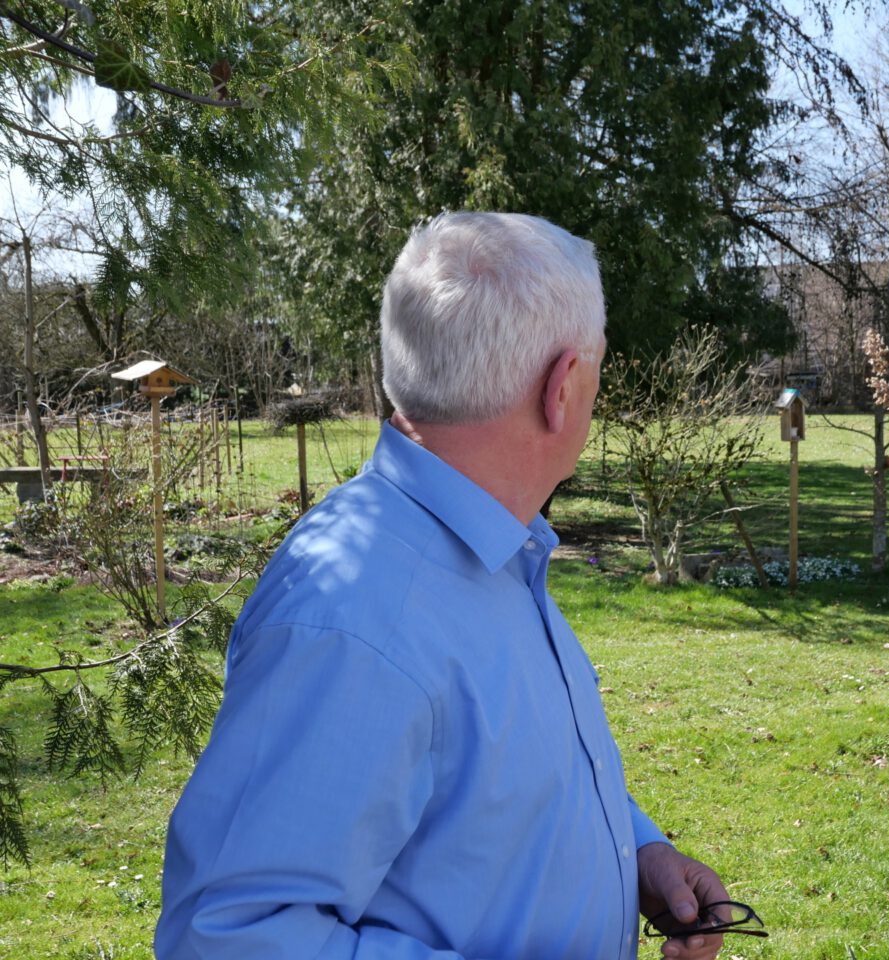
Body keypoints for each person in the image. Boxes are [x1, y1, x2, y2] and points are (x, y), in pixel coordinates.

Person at [155, 212, 729, 960]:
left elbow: (494, 789)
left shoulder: (490, 545)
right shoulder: (356, 616)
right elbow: (225, 937)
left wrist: (638, 853)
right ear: (563, 388)